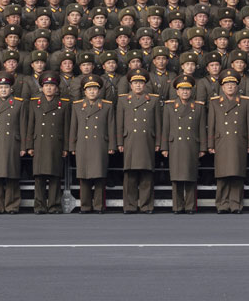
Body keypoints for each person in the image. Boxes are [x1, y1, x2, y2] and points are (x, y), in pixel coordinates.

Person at [116, 75, 162, 213]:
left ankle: (146, 205)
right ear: (130, 85)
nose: (138, 86)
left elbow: (158, 123)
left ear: (145, 85)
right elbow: (119, 123)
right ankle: (129, 206)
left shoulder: (153, 100)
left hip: (147, 140)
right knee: (129, 174)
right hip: (129, 140)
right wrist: (119, 142)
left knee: (146, 173)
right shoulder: (123, 100)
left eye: (141, 83)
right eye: (135, 83)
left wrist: (158, 142)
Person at [209, 76, 249, 214]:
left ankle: (236, 204)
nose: (230, 87)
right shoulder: (215, 103)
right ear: (222, 87)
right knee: (222, 175)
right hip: (221, 142)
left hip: (238, 142)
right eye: (227, 84)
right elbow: (211, 125)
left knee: (237, 175)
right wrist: (210, 144)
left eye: (233, 84)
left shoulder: (245, 102)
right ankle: (222, 204)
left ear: (237, 87)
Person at [160, 79, 207, 214]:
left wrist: (203, 147)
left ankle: (190, 206)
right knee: (176, 177)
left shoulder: (198, 107)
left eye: (187, 89)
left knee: (191, 176)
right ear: (177, 91)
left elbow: (202, 129)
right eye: (182, 90)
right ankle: (177, 206)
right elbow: (166, 128)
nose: (185, 92)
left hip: (191, 144)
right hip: (175, 145)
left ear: (191, 91)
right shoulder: (169, 107)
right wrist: (164, 147)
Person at [69, 77, 115, 214]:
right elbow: (73, 127)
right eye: (89, 89)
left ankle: (99, 206)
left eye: (94, 89)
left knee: (99, 176)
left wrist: (112, 145)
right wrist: (72, 146)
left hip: (100, 143)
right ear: (84, 91)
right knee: (83, 176)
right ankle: (85, 206)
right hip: (83, 144)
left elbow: (111, 126)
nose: (92, 92)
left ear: (99, 91)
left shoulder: (107, 105)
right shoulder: (77, 105)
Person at [0, 77, 28, 213]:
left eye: (6, 87)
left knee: (12, 176)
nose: (4, 90)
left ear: (11, 89)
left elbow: (23, 127)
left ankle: (12, 206)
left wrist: (23, 147)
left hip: (12, 143)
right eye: (1, 87)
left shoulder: (19, 104)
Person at [25, 78, 69, 214]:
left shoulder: (64, 104)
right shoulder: (34, 103)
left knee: (55, 176)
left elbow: (66, 127)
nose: (49, 88)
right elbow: (30, 126)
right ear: (42, 88)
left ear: (56, 88)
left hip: (56, 143)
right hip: (39, 143)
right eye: (46, 86)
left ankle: (55, 205)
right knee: (39, 176)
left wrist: (66, 147)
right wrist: (29, 145)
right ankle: (39, 205)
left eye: (52, 86)